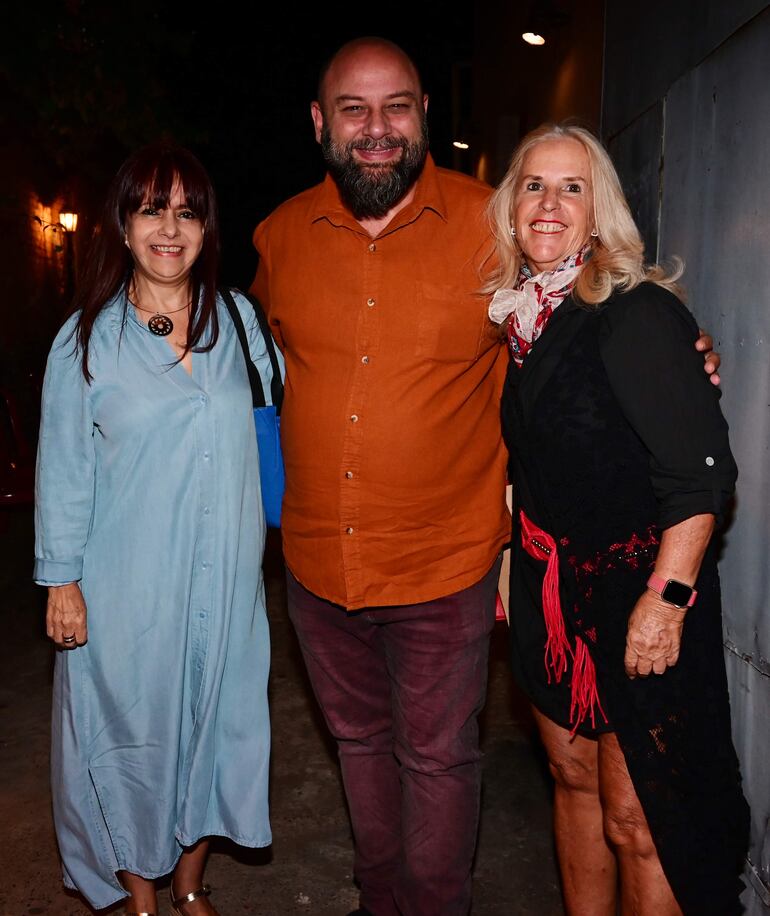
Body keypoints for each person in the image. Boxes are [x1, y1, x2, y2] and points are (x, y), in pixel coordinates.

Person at [251, 38, 721, 916]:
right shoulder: (277, 237)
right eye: (354, 109)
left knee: (445, 761)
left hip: (449, 564)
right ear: (320, 123)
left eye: (397, 106)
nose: (377, 128)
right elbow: (264, 372)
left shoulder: (488, 226)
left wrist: (681, 353)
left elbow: (600, 316)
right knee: (364, 748)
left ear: (425, 113)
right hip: (320, 565)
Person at [488, 123, 749, 915]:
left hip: (639, 597)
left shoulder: (635, 312)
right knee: (572, 780)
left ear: (600, 211)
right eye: (534, 185)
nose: (550, 203)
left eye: (572, 187)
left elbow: (701, 476)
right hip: (553, 596)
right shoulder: (524, 320)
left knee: (643, 819)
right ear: (510, 207)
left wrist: (665, 603)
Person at [35, 144, 277, 915]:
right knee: (131, 741)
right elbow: (63, 468)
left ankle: (190, 881)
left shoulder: (239, 322)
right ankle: (141, 893)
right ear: (123, 224)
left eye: (187, 213)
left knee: (219, 728)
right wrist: (61, 581)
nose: (169, 229)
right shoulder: (85, 341)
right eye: (151, 210)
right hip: (128, 589)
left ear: (207, 228)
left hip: (229, 582)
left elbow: (288, 418)